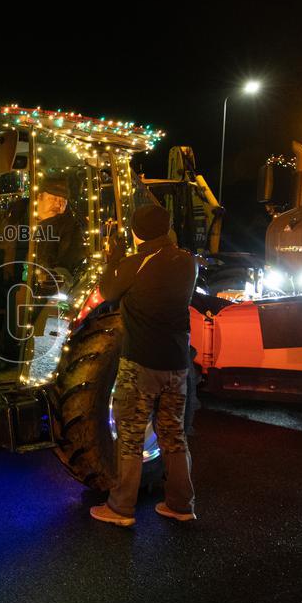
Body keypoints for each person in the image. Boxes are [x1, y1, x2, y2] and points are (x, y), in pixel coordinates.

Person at [89, 203, 198, 527]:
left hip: (141, 364)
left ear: (137, 232)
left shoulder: (137, 264)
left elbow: (107, 291)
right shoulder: (187, 262)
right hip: (176, 365)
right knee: (173, 435)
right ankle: (181, 504)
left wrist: (114, 259)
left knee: (131, 435)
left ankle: (121, 508)